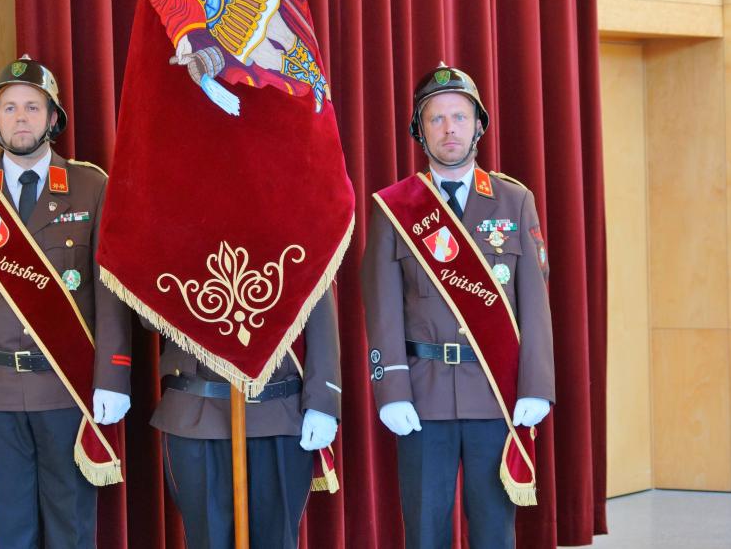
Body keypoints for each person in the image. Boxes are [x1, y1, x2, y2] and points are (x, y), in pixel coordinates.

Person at [0, 56, 132, 548]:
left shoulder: (90, 186)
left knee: (72, 530)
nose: (20, 117)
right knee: (9, 532)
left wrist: (113, 375)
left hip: (67, 387)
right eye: (9, 108)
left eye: (32, 107)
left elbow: (109, 290)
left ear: (52, 118)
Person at [360, 63, 555, 549]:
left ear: (478, 126)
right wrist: (391, 389)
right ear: (420, 131)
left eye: (460, 117)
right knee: (425, 532)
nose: (449, 128)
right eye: (437, 118)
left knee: (493, 532)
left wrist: (536, 385)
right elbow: (382, 309)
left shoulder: (514, 200)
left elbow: (535, 303)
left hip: (495, 391)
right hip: (421, 396)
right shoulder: (394, 208)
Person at [150, 288, 341, 549]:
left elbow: (318, 290)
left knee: (277, 541)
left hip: (279, 411)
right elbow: (149, 316)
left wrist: (323, 399)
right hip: (196, 410)